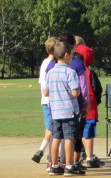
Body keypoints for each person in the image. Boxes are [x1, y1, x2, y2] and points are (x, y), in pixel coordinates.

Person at [44, 40, 85, 176]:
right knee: (69, 138)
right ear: (66, 55)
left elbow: (46, 92)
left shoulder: (50, 72)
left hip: (55, 112)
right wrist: (76, 90)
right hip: (68, 111)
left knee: (56, 138)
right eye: (72, 55)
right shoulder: (70, 72)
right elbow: (75, 92)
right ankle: (68, 165)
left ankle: (54, 165)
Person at [75, 36, 105, 168]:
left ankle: (78, 155)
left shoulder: (71, 69)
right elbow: (97, 89)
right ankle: (89, 157)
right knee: (88, 132)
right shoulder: (89, 72)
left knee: (78, 131)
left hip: (75, 105)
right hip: (90, 105)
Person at [32, 37, 57, 164]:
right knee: (53, 128)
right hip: (51, 100)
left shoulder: (44, 63)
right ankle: (44, 152)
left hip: (45, 100)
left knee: (50, 127)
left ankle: (44, 151)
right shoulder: (52, 63)